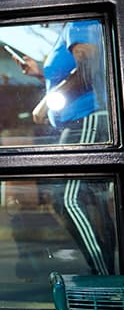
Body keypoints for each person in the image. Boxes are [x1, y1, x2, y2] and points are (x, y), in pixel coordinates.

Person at [10, 19, 115, 276]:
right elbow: (69, 73)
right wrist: (39, 73)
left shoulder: (79, 20)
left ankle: (105, 276)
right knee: (95, 204)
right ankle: (110, 274)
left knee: (66, 199)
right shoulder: (65, 33)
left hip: (88, 118)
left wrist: (46, 103)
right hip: (78, 121)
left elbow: (89, 66)